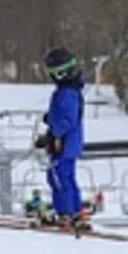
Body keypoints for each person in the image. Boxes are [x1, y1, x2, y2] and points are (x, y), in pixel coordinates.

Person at [40, 47, 87, 229]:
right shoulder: (70, 91)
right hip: (70, 144)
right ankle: (74, 212)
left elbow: (67, 119)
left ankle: (65, 213)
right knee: (67, 177)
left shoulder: (66, 93)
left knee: (57, 177)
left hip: (64, 144)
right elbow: (65, 115)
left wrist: (54, 134)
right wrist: (50, 118)